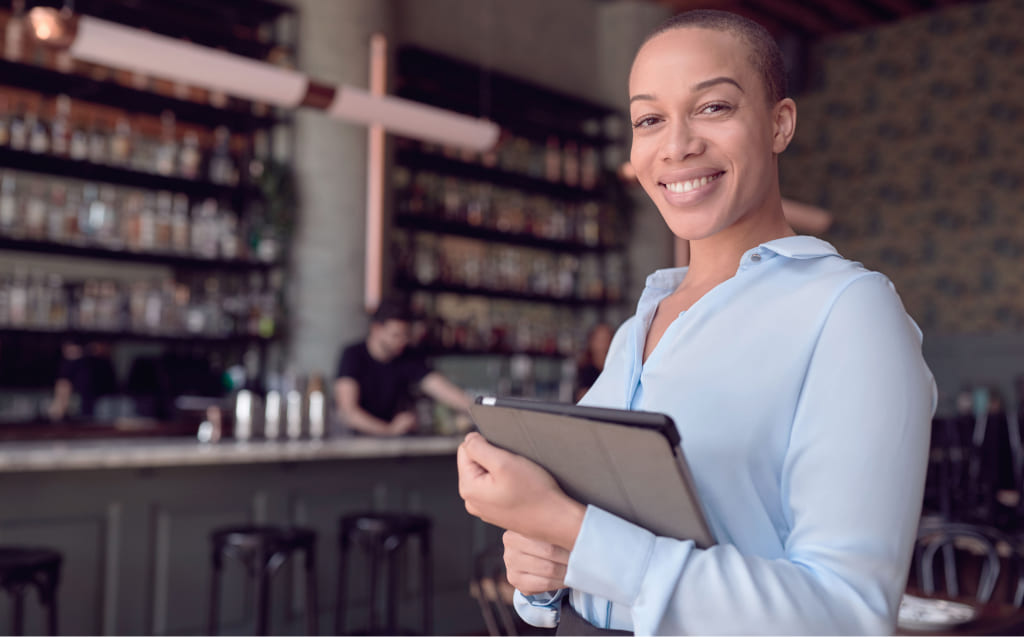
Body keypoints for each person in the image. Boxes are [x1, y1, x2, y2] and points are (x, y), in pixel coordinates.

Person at [457, 9, 936, 635]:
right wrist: (541, 568)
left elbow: (846, 616)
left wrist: (572, 532)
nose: (677, 144)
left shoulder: (848, 311)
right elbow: (578, 559)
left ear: (779, 124)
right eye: (649, 119)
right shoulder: (640, 325)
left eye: (713, 107)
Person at [335, 299, 472, 436]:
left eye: (405, 335)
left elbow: (444, 390)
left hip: (394, 443)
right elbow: (348, 412)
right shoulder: (353, 355)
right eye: (396, 335)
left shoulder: (407, 356)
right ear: (376, 329)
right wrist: (388, 430)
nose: (402, 341)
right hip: (355, 442)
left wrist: (479, 411)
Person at [575, 322, 613, 402]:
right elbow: (583, 398)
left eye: (606, 339)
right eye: (600, 339)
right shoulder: (584, 370)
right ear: (591, 341)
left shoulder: (615, 368)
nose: (603, 344)